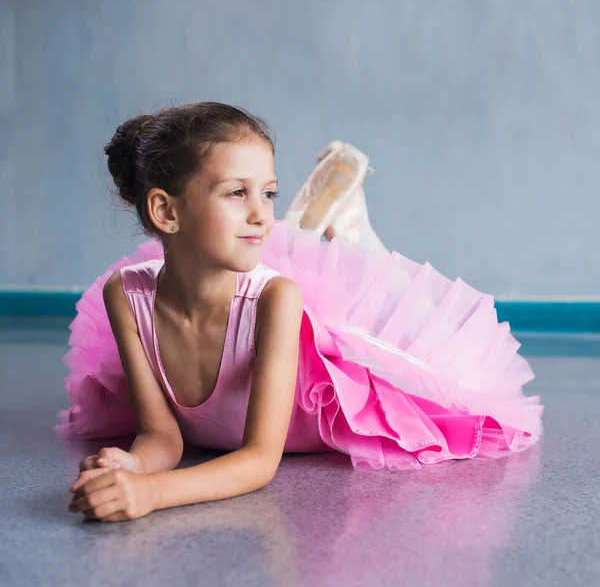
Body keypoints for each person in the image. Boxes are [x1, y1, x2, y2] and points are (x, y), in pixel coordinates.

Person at [60, 102, 543, 522]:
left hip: (316, 389)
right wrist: (130, 466)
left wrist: (151, 493)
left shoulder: (277, 298)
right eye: (236, 192)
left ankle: (353, 236)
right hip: (234, 297)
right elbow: (161, 436)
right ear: (166, 212)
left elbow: (258, 461)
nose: (259, 213)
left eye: (267, 193)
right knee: (286, 250)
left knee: (408, 341)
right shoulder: (126, 295)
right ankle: (318, 224)